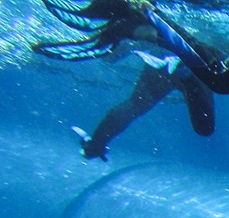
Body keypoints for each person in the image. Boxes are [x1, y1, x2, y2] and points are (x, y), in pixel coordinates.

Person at [33, 0, 215, 161]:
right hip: (201, 57)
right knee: (205, 123)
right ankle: (145, 30)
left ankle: (140, 28)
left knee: (136, 104)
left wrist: (98, 142)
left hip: (171, 52)